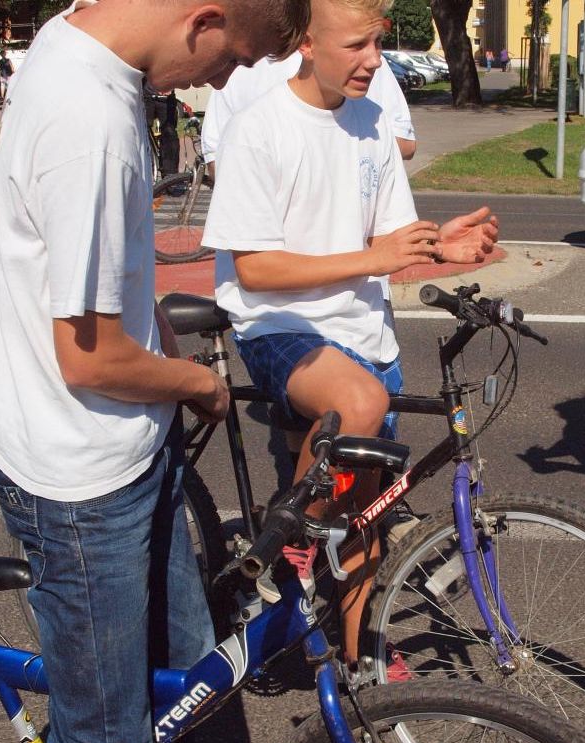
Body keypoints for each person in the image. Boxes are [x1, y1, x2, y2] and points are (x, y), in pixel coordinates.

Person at [0, 1, 307, 743]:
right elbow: (90, 359)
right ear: (203, 20)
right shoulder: (90, 124)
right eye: (233, 61)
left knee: (189, 685)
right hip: (81, 486)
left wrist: (153, 325)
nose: (223, 84)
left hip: (123, 450)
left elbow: (83, 262)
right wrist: (195, 382)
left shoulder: (82, 34)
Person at [202, 0, 499, 665]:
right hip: (282, 324)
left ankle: (358, 649)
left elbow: (386, 239)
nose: (374, 60)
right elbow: (256, 267)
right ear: (305, 43)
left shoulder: (370, 123)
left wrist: (439, 245)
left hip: (364, 330)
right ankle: (287, 563)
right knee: (358, 405)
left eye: (379, 42)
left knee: (366, 511)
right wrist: (376, 258)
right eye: (356, 45)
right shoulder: (261, 129)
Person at [201, 51, 417, 179]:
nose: (373, 60)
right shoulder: (243, 57)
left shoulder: (360, 57)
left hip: (347, 244)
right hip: (261, 244)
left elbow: (404, 143)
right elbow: (217, 162)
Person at [144, 83, 180, 178]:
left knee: (169, 133)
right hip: (146, 96)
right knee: (142, 130)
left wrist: (170, 84)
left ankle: (170, 175)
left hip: (166, 99)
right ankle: (145, 170)